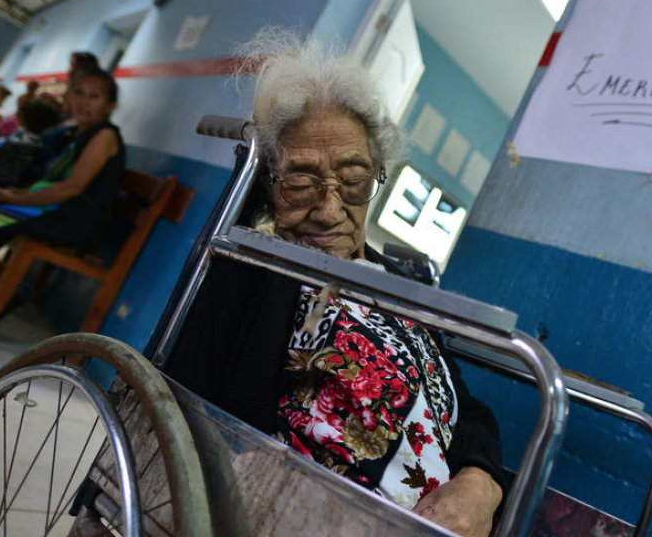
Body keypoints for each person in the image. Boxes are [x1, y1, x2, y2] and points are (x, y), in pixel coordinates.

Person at [167, 30, 503, 537]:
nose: (328, 210)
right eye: (301, 180)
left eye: (353, 181)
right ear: (269, 183)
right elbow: (196, 416)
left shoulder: (395, 285)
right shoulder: (250, 268)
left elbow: (466, 407)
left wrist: (481, 485)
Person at [0, 68, 125, 325]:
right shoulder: (77, 132)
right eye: (78, 93)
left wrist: (16, 199)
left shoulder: (104, 136)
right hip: (52, 208)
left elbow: (71, 188)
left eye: (94, 96)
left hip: (72, 219)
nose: (84, 101)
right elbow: (49, 181)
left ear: (110, 105)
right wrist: (13, 193)